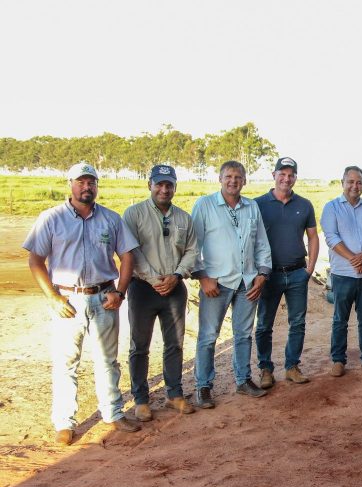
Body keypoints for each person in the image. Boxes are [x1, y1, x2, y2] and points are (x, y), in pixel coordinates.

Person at [24, 162, 140, 445]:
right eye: (81, 182)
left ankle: (113, 413)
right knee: (66, 362)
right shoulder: (51, 218)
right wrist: (53, 297)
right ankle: (65, 422)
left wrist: (120, 292)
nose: (87, 187)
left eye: (92, 182)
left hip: (104, 298)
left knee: (107, 360)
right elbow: (35, 260)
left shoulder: (111, 220)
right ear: (70, 184)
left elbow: (127, 257)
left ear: (97, 186)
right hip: (67, 300)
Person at [191, 160, 273, 408]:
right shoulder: (204, 205)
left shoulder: (251, 207)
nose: (233, 181)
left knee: (243, 334)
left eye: (238, 177)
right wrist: (203, 277)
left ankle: (243, 380)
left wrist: (262, 273)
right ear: (220, 179)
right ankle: (203, 386)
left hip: (247, 282)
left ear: (244, 181)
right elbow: (192, 245)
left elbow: (261, 243)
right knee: (208, 336)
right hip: (216, 283)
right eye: (228, 176)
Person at [122, 164, 198, 421]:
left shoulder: (184, 218)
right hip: (143, 289)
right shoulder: (133, 214)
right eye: (159, 184)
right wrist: (155, 280)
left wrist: (176, 276)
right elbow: (132, 251)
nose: (164, 189)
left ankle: (174, 394)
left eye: (169, 185)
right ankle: (141, 399)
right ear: (150, 185)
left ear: (175, 187)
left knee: (174, 344)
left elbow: (192, 251)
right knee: (140, 346)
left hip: (175, 288)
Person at [254, 157, 319, 388]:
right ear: (274, 175)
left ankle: (292, 366)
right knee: (264, 324)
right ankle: (265, 369)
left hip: (297, 274)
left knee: (297, 322)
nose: (286, 178)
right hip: (268, 276)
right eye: (282, 173)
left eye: (291, 174)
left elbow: (313, 236)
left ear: (295, 178)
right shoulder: (258, 204)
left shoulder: (305, 204)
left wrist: (309, 268)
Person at [321, 166, 362, 376]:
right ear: (342, 183)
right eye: (350, 182)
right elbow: (331, 237)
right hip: (343, 274)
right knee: (340, 318)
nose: (354, 186)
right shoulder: (331, 207)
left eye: (359, 182)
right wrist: (354, 259)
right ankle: (338, 360)